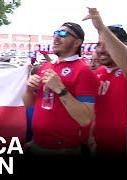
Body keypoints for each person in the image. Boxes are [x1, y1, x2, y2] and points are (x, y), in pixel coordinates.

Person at [22, 22, 99, 155]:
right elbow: (29, 104)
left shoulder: (84, 70)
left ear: (77, 42)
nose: (56, 37)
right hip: (37, 143)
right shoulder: (45, 67)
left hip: (62, 149)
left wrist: (61, 89)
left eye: (63, 34)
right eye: (56, 33)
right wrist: (29, 89)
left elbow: (85, 118)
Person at [83, 8, 127, 156]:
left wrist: (101, 28)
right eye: (99, 44)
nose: (101, 50)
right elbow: (95, 112)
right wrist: (91, 137)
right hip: (100, 147)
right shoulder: (98, 74)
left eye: (107, 44)